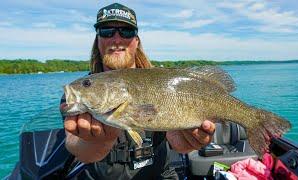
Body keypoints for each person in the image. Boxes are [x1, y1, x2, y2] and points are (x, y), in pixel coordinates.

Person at [61, 3, 215, 179]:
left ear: (137, 40)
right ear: (98, 40)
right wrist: (100, 142)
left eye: (126, 31)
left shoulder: (161, 83)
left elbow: (177, 141)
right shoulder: (80, 91)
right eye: (106, 31)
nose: (116, 40)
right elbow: (77, 148)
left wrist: (187, 141)